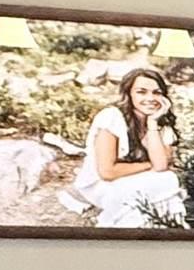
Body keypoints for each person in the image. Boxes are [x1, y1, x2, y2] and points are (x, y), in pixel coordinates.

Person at [69, 62, 186, 228]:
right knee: (140, 189)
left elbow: (160, 166)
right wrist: (148, 165)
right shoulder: (112, 117)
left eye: (157, 92)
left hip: (134, 176)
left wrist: (152, 123)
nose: (150, 99)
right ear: (128, 94)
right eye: (141, 92)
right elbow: (107, 172)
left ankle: (160, 230)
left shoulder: (160, 119)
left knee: (168, 179)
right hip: (102, 183)